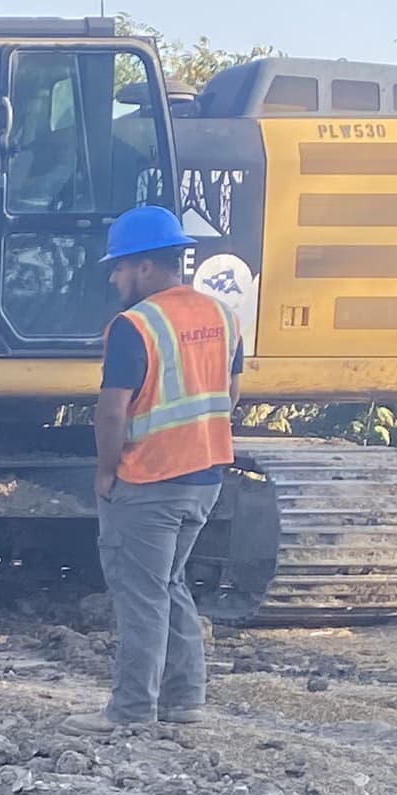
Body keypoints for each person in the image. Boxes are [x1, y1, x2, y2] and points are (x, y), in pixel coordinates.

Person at [91, 203, 240, 728]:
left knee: (140, 596)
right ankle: (184, 700)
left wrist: (107, 472)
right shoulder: (221, 315)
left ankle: (131, 710)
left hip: (150, 478)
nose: (115, 278)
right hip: (206, 476)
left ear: (146, 267)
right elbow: (230, 390)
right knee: (171, 585)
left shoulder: (135, 325)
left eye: (119, 267)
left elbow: (112, 409)